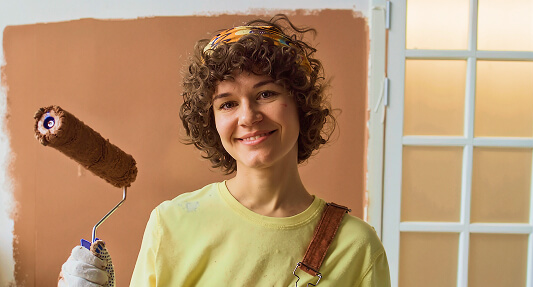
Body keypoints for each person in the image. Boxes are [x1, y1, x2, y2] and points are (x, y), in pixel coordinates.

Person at [59, 15, 391, 287]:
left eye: (266, 94)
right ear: (212, 122)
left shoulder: (356, 248)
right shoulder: (171, 224)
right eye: (228, 103)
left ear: (300, 104)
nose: (248, 117)